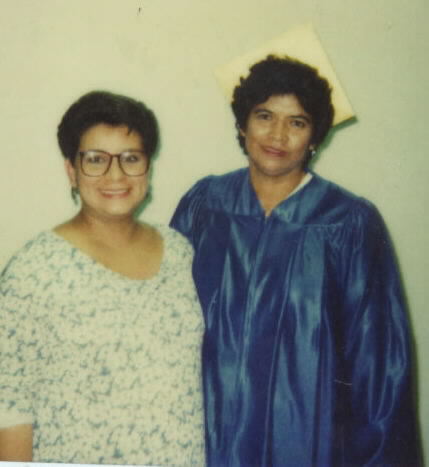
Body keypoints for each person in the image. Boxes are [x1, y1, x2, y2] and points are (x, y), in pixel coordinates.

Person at [171, 55, 421, 466]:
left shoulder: (350, 225)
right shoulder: (204, 207)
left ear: (315, 137)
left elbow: (378, 367)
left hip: (306, 442)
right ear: (242, 124)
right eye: (264, 115)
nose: (277, 134)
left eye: (297, 122)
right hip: (205, 437)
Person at [0, 91, 205, 465]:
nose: (116, 175)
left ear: (148, 167)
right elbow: (9, 407)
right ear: (71, 170)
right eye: (96, 160)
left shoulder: (180, 253)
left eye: (131, 159)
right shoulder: (35, 270)